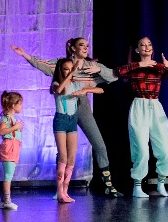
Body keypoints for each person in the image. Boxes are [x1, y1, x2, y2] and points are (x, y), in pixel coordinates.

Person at [12, 38, 122, 196]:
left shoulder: (91, 66)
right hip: (65, 109)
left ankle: (108, 184)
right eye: (81, 45)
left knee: (99, 144)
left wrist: (98, 69)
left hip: (82, 107)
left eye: (87, 45)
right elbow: (42, 65)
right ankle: (61, 190)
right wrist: (25, 55)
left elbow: (113, 76)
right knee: (63, 152)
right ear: (73, 48)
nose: (85, 48)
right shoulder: (63, 64)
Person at [117, 37, 168, 198]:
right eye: (142, 45)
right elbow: (119, 72)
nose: (146, 47)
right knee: (141, 149)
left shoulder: (158, 67)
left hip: (155, 107)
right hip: (139, 106)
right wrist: (139, 65)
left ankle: (161, 183)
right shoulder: (134, 67)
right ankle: (137, 186)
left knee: (165, 150)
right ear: (137, 50)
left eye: (149, 44)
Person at [52, 58, 103, 203]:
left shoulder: (76, 84)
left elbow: (101, 90)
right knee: (63, 156)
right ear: (61, 70)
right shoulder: (56, 84)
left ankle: (65, 191)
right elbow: (59, 90)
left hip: (72, 121)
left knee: (72, 157)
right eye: (66, 69)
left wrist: (86, 90)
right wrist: (71, 74)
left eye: (71, 68)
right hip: (61, 120)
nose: (70, 71)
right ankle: (59, 192)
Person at [0, 91, 24, 210]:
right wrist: (15, 127)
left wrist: (18, 129)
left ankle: (4, 200)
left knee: (10, 174)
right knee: (8, 175)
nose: (21, 106)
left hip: (14, 146)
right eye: (20, 104)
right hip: (9, 146)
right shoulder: (6, 118)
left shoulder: (12, 118)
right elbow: (1, 131)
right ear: (13, 105)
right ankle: (7, 201)